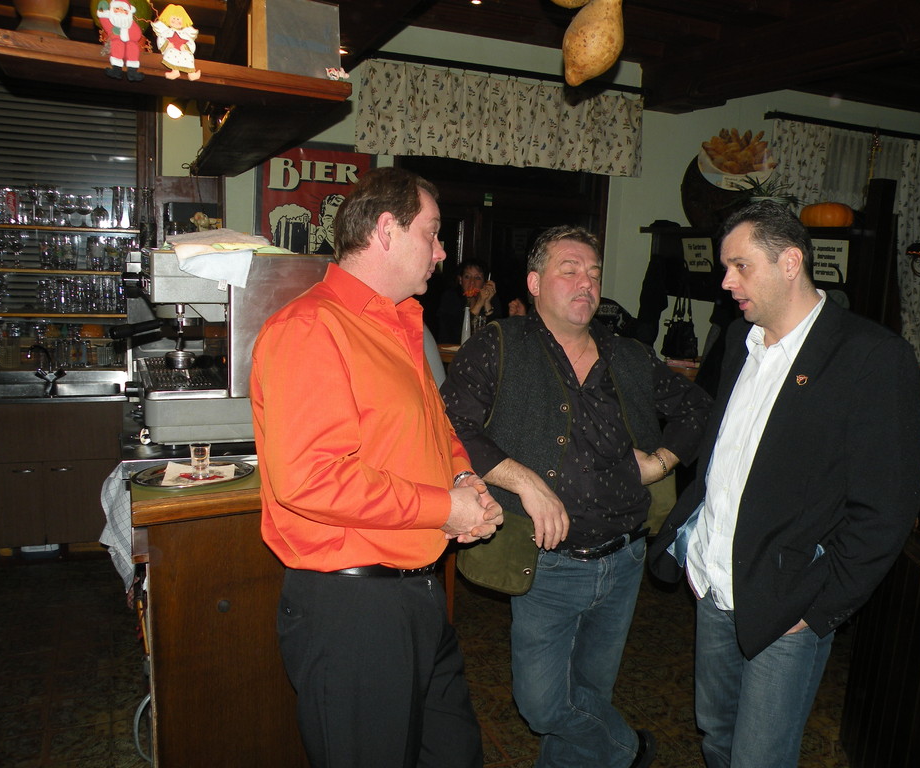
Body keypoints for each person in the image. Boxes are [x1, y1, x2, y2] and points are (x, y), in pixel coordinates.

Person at [648, 201, 920, 768]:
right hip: (714, 582)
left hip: (788, 603)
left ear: (790, 262)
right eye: (726, 267)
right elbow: (725, 452)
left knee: (759, 758)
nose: (727, 282)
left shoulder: (870, 356)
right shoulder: (737, 340)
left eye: (740, 266)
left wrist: (819, 609)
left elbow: (886, 510)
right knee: (716, 735)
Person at [250, 167, 503, 768]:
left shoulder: (398, 322)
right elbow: (310, 479)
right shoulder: (312, 327)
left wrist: (462, 480)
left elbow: (434, 429)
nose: (441, 253)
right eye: (432, 233)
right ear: (387, 230)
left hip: (416, 595)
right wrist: (444, 509)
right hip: (352, 610)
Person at [441, 225, 712, 768]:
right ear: (535, 282)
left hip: (624, 557)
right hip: (547, 562)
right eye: (569, 270)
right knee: (542, 704)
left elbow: (698, 407)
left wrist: (661, 462)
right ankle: (629, 749)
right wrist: (525, 481)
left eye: (593, 273)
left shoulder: (629, 355)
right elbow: (450, 424)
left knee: (590, 694)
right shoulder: (498, 344)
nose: (585, 282)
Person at [436, 259, 503, 342]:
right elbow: (455, 334)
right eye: (467, 277)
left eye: (477, 278)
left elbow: (497, 336)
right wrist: (479, 304)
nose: (472, 282)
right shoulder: (450, 297)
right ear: (460, 280)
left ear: (484, 283)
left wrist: (487, 303)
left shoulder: (493, 299)